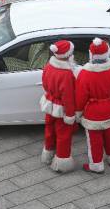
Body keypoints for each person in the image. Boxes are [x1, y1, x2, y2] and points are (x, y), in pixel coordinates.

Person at [76, 38, 110, 174]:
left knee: (94, 139)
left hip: (92, 112)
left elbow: (80, 96)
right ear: (107, 53)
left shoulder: (85, 73)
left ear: (91, 54)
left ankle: (96, 165)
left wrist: (78, 112)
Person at [40, 40, 77, 173]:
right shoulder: (66, 73)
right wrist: (71, 114)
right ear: (68, 55)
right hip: (61, 109)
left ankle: (48, 154)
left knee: (49, 131)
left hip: (49, 104)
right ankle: (61, 162)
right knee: (63, 135)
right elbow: (68, 97)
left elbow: (44, 83)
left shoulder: (49, 65)